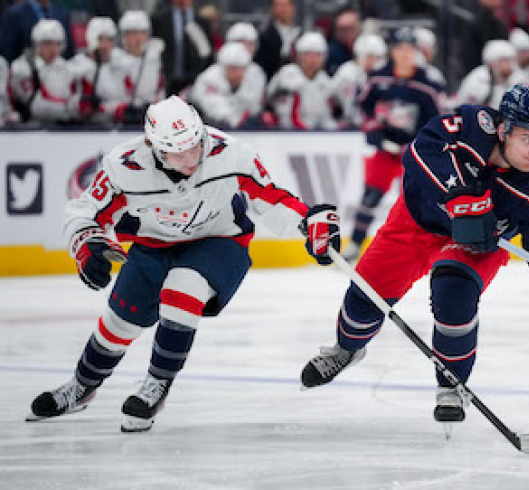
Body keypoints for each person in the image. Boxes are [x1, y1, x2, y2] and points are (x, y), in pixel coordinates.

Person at [26, 95, 340, 432]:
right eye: (180, 152)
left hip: (221, 241)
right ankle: (82, 386)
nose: (192, 158)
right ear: (155, 148)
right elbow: (84, 211)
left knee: (184, 286)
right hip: (153, 245)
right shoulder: (125, 166)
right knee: (121, 321)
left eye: (195, 145)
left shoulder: (230, 153)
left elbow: (271, 198)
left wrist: (310, 221)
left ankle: (156, 386)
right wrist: (86, 245)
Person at [299, 84, 529, 426]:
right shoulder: (471, 126)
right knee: (364, 299)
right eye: (527, 139)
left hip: (476, 247)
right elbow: (420, 152)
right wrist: (458, 197)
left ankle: (452, 385)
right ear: (504, 130)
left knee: (453, 290)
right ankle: (346, 349)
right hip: (416, 222)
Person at [342, 27, 444, 262]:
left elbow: (439, 120)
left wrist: (422, 144)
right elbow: (361, 107)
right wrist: (373, 129)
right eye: (400, 48)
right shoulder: (377, 78)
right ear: (392, 51)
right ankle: (355, 243)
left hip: (414, 153)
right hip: (384, 149)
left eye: (410, 49)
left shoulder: (428, 85)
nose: (405, 54)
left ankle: (415, 248)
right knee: (371, 196)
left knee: (413, 200)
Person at [10, 19, 78, 124]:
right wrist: (68, 108)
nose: (53, 49)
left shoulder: (66, 68)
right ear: (37, 43)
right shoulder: (23, 67)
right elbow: (36, 107)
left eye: (58, 44)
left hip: (64, 127)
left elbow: (74, 99)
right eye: (48, 43)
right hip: (30, 127)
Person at [266, 31, 338, 130]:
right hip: (285, 132)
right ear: (299, 56)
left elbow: (326, 116)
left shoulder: (326, 82)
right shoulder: (287, 75)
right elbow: (274, 107)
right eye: (308, 54)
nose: (313, 60)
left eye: (317, 55)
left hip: (316, 134)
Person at [69, 17, 131, 124]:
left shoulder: (123, 63)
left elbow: (129, 96)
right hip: (87, 128)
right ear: (91, 39)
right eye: (101, 39)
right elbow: (73, 104)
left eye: (110, 39)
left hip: (120, 125)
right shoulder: (78, 67)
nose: (105, 44)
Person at [189, 42, 265, 129]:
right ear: (224, 67)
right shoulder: (208, 79)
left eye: (242, 68)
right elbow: (214, 109)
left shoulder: (255, 75)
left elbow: (254, 107)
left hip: (244, 125)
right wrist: (237, 120)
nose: (238, 73)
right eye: (233, 68)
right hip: (209, 125)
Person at [150, 0, 214, 95]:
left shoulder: (202, 22)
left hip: (194, 83)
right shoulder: (159, 20)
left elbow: (208, 55)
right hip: (168, 82)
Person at [117, 10, 166, 126]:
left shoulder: (156, 61)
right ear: (124, 36)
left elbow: (160, 92)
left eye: (142, 33)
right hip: (121, 122)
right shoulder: (115, 62)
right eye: (133, 33)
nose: (138, 39)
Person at [456, 40, 529, 109]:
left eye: (511, 60)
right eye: (505, 61)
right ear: (494, 62)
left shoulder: (517, 78)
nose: (510, 65)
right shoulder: (479, 79)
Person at [333, 33, 386, 129]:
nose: (373, 61)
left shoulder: (383, 76)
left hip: (374, 126)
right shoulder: (346, 72)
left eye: (377, 57)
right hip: (350, 125)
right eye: (369, 56)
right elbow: (335, 100)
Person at [255, 0, 301, 79]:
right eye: (279, 5)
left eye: (286, 5)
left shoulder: (301, 35)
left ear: (293, 7)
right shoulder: (264, 39)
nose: (283, 9)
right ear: (272, 8)